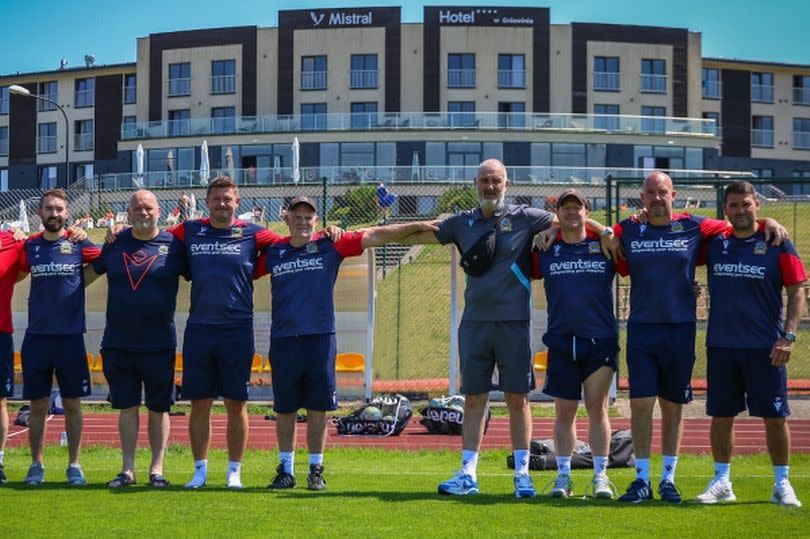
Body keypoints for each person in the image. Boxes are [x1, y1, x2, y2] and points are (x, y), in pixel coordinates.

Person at [401, 159, 617, 497]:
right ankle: (468, 475)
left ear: (507, 183)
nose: (490, 186)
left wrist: (599, 230)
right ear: (476, 183)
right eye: (484, 180)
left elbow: (571, 219)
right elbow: (423, 230)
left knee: (519, 399)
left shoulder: (526, 217)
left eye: (496, 180)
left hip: (515, 323)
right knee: (474, 399)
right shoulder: (462, 221)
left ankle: (523, 477)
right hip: (474, 323)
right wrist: (370, 236)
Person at [108, 176, 341, 490]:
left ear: (237, 202)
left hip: (237, 330)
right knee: (199, 404)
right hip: (200, 330)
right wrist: (118, 231)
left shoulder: (255, 234)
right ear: (207, 202)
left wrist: (326, 233)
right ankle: (200, 471)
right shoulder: (189, 231)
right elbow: (151, 234)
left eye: (227, 199)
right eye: (216, 199)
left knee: (236, 404)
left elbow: (293, 240)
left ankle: (234, 471)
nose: (222, 204)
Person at [613, 171, 786, 503]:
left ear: (673, 195)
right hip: (642, 330)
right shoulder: (629, 228)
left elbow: (739, 221)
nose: (656, 198)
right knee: (640, 405)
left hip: (681, 330)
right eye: (650, 193)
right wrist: (596, 230)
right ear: (643, 197)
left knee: (673, 407)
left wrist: (766, 221)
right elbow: (590, 229)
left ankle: (668, 480)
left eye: (662, 192)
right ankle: (641, 480)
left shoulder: (695, 225)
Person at [254, 196, 437, 491]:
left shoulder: (330, 244)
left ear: (316, 221)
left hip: (320, 339)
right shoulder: (274, 252)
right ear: (286, 218)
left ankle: (316, 469)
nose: (303, 221)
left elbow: (377, 235)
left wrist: (417, 224)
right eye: (297, 216)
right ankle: (285, 471)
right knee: (285, 409)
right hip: (284, 340)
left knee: (318, 408)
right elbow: (239, 267)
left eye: (308, 217)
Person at [695, 181, 805, 507]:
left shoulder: (777, 241)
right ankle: (722, 481)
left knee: (775, 416)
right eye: (733, 205)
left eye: (746, 204)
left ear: (756, 204)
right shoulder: (715, 243)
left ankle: (782, 483)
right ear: (725, 210)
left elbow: (797, 288)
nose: (740, 210)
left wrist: (788, 336)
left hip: (766, 347)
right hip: (722, 345)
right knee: (721, 415)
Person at [91, 190, 188, 488]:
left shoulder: (174, 245)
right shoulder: (114, 243)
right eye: (137, 208)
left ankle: (156, 470)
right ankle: (127, 469)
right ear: (128, 213)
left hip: (159, 343)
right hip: (118, 342)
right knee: (127, 406)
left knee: (159, 408)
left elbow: (205, 273)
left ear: (159, 211)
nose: (143, 212)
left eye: (148, 207)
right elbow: (83, 273)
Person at [532, 189, 623, 499]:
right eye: (565, 209)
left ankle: (600, 477)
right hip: (561, 341)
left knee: (597, 409)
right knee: (564, 412)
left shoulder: (605, 245)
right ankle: (563, 477)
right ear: (558, 214)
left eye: (577, 208)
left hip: (599, 340)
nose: (572, 213)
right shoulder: (545, 247)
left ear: (587, 211)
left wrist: (603, 229)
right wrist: (552, 229)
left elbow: (626, 232)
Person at [18, 189, 101, 485]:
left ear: (67, 214)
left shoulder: (79, 243)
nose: (54, 214)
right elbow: (14, 270)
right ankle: (36, 466)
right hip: (37, 339)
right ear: (40, 213)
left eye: (59, 209)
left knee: (72, 405)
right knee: (38, 406)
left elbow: (104, 261)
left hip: (70, 339)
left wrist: (83, 279)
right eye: (49, 209)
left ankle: (74, 466)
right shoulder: (29, 246)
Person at [0, 230, 27, 484]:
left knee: (0, 401)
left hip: (0, 332)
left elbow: (21, 272)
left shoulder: (13, 241)